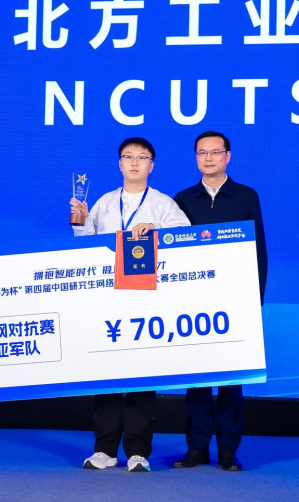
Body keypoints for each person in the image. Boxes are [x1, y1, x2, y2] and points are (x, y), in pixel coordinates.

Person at [70, 137, 190, 472]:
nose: (134, 162)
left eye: (142, 157)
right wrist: (81, 220)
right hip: (108, 298)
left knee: (141, 375)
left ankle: (138, 451)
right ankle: (104, 449)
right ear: (119, 164)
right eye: (128, 156)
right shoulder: (104, 203)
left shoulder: (163, 203)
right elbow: (86, 246)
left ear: (152, 165)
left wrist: (157, 229)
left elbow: (185, 235)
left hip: (146, 299)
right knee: (106, 374)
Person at [171, 131, 268, 472]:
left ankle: (228, 451)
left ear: (228, 156)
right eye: (202, 152)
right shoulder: (183, 199)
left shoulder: (246, 196)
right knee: (197, 382)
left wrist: (254, 301)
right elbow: (173, 252)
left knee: (230, 383)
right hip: (194, 303)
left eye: (215, 152)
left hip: (235, 302)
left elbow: (259, 251)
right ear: (196, 157)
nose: (208, 158)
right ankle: (196, 449)